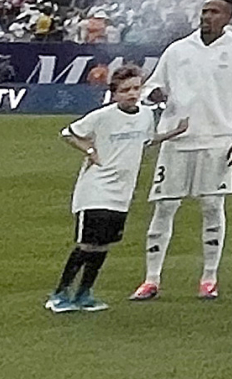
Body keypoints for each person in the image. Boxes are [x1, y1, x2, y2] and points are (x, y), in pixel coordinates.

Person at [136, 0, 232, 301]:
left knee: (211, 206)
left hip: (217, 140)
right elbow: (153, 84)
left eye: (215, 12)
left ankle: (209, 277)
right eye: (205, 11)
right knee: (165, 207)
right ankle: (151, 279)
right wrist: (152, 95)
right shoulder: (179, 49)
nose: (207, 16)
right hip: (176, 139)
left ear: (229, 17)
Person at [51, 65, 183, 312]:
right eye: (125, 90)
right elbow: (69, 133)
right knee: (87, 244)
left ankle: (84, 293)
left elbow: (146, 141)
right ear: (114, 93)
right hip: (96, 188)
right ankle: (59, 294)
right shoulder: (102, 116)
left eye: (136, 88)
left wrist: (175, 132)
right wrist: (90, 152)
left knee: (103, 245)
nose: (132, 94)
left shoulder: (145, 115)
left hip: (122, 192)